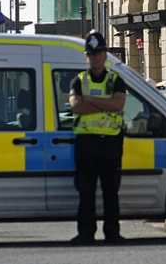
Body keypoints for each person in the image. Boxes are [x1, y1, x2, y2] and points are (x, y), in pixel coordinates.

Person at [69, 30, 127, 245]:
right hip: (86, 144)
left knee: (111, 192)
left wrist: (90, 101)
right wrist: (105, 104)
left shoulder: (115, 80)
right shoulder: (79, 80)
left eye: (99, 53)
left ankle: (112, 233)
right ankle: (86, 234)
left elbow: (118, 104)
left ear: (105, 55)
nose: (95, 57)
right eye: (91, 54)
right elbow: (76, 107)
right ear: (87, 57)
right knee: (86, 192)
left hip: (111, 143)